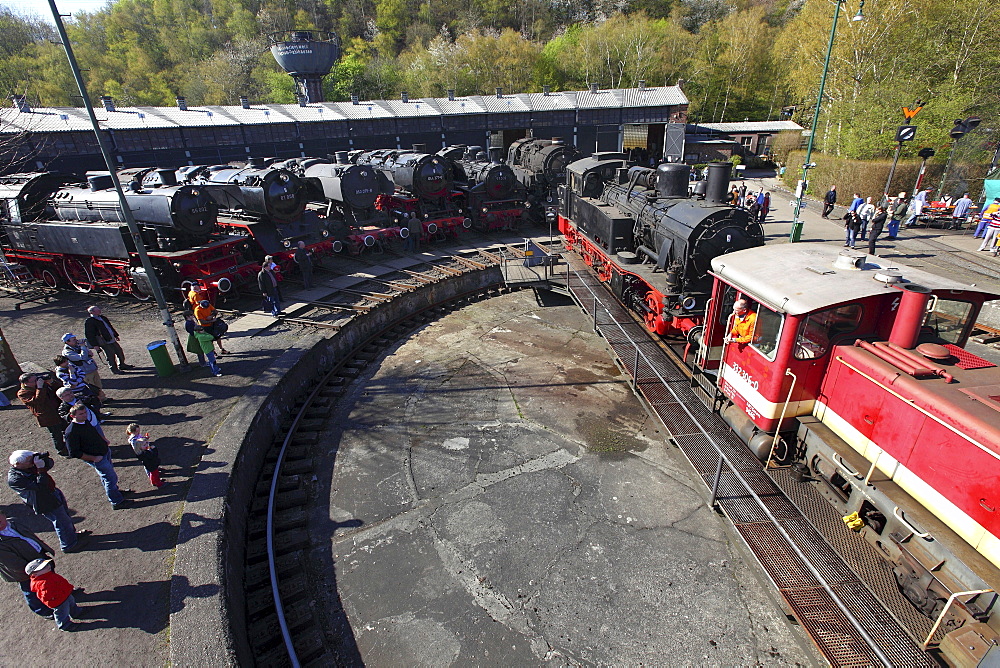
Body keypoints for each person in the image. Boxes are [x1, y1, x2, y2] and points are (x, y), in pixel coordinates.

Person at [7, 450, 88, 552]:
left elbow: (50, 463)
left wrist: (42, 460)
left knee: (65, 516)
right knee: (60, 521)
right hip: (43, 501)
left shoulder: (27, 466)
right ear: (18, 464)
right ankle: (68, 545)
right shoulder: (15, 479)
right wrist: (40, 469)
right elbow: (41, 486)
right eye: (29, 460)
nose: (32, 461)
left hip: (52, 493)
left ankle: (72, 536)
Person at [64, 405, 129, 509]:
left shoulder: (85, 422)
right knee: (110, 478)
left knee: (108, 476)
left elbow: (95, 432)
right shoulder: (71, 432)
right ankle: (116, 502)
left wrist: (104, 440)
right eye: (81, 414)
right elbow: (74, 453)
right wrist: (94, 458)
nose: (84, 415)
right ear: (72, 416)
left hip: (104, 452)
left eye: (85, 412)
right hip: (97, 457)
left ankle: (115, 492)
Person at [0, 511, 55, 618]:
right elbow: (13, 564)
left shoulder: (13, 523)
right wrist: (34, 571)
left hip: (38, 557)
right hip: (24, 572)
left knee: (51, 578)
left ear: (4, 515)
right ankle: (42, 610)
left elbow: (30, 536)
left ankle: (59, 593)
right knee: (31, 590)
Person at [25, 558, 84, 631]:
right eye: (43, 567)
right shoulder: (43, 582)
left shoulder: (47, 575)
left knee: (71, 603)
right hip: (59, 601)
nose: (48, 566)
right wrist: (58, 596)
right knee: (61, 612)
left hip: (64, 594)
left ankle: (76, 612)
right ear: (35, 574)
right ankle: (65, 625)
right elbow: (47, 595)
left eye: (46, 565)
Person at [17, 372, 67, 456]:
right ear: (26, 383)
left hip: (58, 410)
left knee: (66, 427)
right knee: (56, 433)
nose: (37, 381)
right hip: (47, 416)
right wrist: (39, 388)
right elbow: (38, 401)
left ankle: (71, 443)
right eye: (34, 380)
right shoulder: (23, 393)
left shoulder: (43, 384)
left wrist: (51, 382)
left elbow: (59, 389)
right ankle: (61, 449)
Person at [84, 306, 130, 374]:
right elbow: (89, 334)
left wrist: (115, 335)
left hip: (111, 339)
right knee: (110, 355)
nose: (99, 311)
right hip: (104, 341)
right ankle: (114, 369)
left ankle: (122, 365)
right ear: (92, 312)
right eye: (97, 310)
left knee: (119, 351)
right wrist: (95, 345)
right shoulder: (90, 321)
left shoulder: (102, 317)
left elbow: (109, 327)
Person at [61, 333, 105, 402]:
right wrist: (83, 347)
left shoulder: (78, 346)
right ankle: (97, 401)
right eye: (73, 339)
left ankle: (102, 398)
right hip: (84, 372)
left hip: (91, 368)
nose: (76, 340)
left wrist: (85, 349)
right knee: (92, 388)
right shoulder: (67, 352)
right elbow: (83, 357)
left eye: (75, 339)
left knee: (98, 385)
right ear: (67, 342)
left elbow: (89, 353)